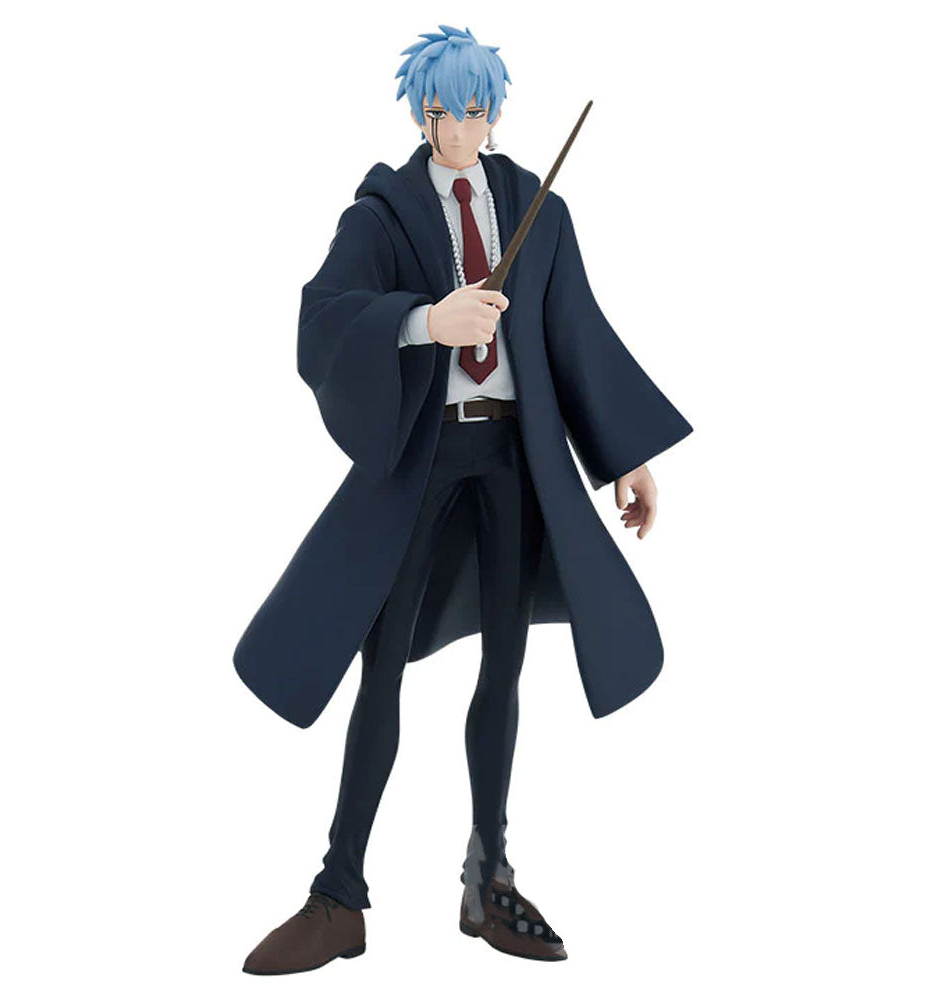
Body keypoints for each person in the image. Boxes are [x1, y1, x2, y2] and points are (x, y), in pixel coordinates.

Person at [238, 24, 692, 973]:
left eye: (479, 110)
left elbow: (575, 332)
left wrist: (626, 455)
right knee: (381, 669)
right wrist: (422, 320)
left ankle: (489, 875)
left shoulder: (536, 208)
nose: (462, 128)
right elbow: (324, 318)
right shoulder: (384, 212)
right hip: (426, 459)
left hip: (515, 462)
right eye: (446, 111)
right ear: (422, 112)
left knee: (505, 667)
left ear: (494, 112)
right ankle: (339, 892)